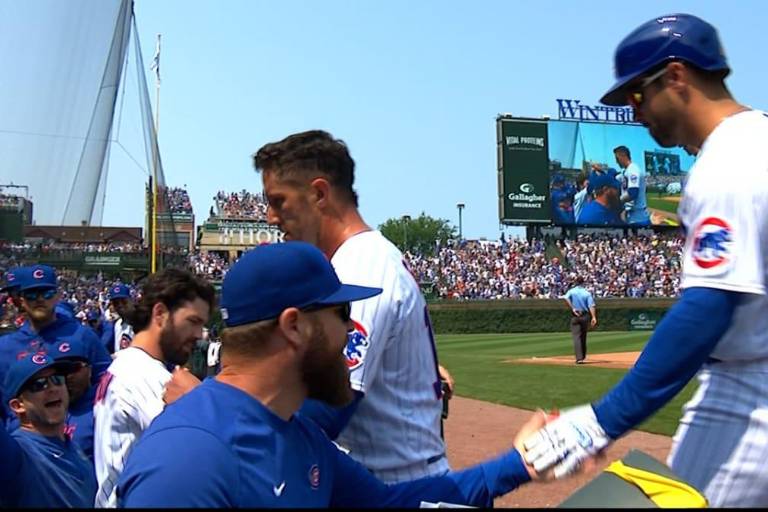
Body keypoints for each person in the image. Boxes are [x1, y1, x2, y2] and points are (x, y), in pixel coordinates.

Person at [521, 13, 768, 507]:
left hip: (748, 393)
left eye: (638, 94)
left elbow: (707, 309)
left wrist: (601, 420)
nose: (635, 112)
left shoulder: (729, 162)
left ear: (676, 77)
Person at [117, 242, 560, 507]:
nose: (350, 328)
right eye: (341, 312)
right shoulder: (187, 457)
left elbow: (392, 504)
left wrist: (518, 463)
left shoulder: (299, 435)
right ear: (294, 326)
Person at [254, 130, 454, 482]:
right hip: (388, 476)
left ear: (318, 193)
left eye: (278, 201)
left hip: (399, 486)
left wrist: (222, 421)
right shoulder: (354, 261)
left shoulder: (362, 266)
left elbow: (328, 409)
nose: (271, 216)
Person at [92, 268, 215, 508]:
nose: (199, 335)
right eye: (192, 322)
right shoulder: (142, 373)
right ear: (160, 313)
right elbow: (202, 449)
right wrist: (199, 398)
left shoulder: (126, 364)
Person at [0, 264, 111, 424]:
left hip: (77, 431)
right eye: (31, 294)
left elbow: (106, 381)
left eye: (47, 292)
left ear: (57, 296)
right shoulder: (5, 347)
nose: (40, 299)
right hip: (23, 437)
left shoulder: (81, 335)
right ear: (21, 300)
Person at [0, 353, 96, 507]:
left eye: (57, 380)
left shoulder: (73, 447)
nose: (52, 389)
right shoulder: (18, 455)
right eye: (39, 384)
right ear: (18, 406)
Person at [51, 337, 97, 462]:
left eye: (75, 368)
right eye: (61, 371)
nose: (68, 376)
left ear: (89, 370)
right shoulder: (46, 410)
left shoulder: (103, 406)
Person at [562, 277, 597, 364]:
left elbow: (565, 298)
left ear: (575, 282)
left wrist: (573, 308)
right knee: (583, 336)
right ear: (583, 283)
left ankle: (579, 358)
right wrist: (594, 317)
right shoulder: (587, 293)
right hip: (585, 315)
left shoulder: (572, 291)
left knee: (576, 337)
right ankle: (583, 356)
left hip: (575, 315)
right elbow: (591, 305)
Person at [614, 145, 651, 226]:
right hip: (632, 216)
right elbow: (614, 178)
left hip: (639, 218)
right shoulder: (626, 171)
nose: (616, 162)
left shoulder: (633, 169)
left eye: (617, 158)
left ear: (623, 156)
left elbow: (633, 193)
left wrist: (617, 201)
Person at [100, 283, 134, 356]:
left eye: (123, 301)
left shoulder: (142, 322)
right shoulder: (117, 325)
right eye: (116, 303)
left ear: (131, 300)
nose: (120, 305)